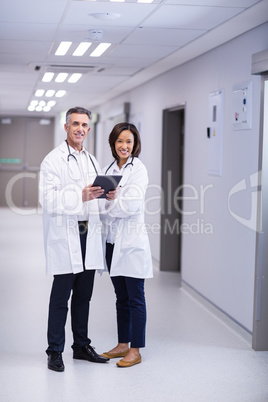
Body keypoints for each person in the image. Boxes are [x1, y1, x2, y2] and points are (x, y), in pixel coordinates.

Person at [39, 106, 116, 372]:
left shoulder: (93, 160)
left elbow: (98, 203)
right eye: (75, 124)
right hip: (66, 235)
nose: (80, 129)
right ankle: (55, 351)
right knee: (61, 297)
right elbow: (47, 200)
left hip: (89, 234)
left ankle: (81, 346)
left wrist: (108, 198)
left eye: (84, 125)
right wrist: (79, 196)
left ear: (89, 129)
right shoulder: (53, 160)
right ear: (66, 127)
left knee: (84, 296)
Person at [100, 122, 153, 368]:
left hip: (131, 243)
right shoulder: (108, 168)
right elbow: (99, 206)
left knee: (135, 298)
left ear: (135, 144)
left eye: (129, 142)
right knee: (121, 297)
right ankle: (122, 344)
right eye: (120, 141)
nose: (124, 146)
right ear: (113, 143)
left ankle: (136, 349)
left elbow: (130, 206)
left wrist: (111, 202)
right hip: (112, 243)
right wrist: (109, 203)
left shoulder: (139, 169)